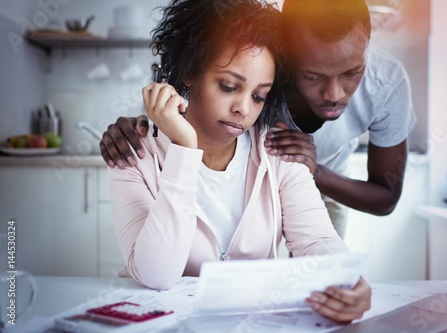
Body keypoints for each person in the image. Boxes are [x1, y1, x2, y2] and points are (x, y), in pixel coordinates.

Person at [108, 0, 371, 323]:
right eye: (229, 86)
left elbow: (316, 240)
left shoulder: (276, 149)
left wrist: (346, 279)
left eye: (259, 95)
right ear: (189, 73)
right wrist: (185, 147)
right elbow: (156, 275)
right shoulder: (133, 152)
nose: (244, 109)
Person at [100, 0, 416, 239]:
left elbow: (385, 198)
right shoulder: (266, 68)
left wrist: (315, 172)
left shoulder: (386, 83)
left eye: (351, 72)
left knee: (319, 272)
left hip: (330, 178)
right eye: (313, 75)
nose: (334, 94)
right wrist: (143, 125)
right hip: (261, 177)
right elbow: (201, 96)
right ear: (286, 59)